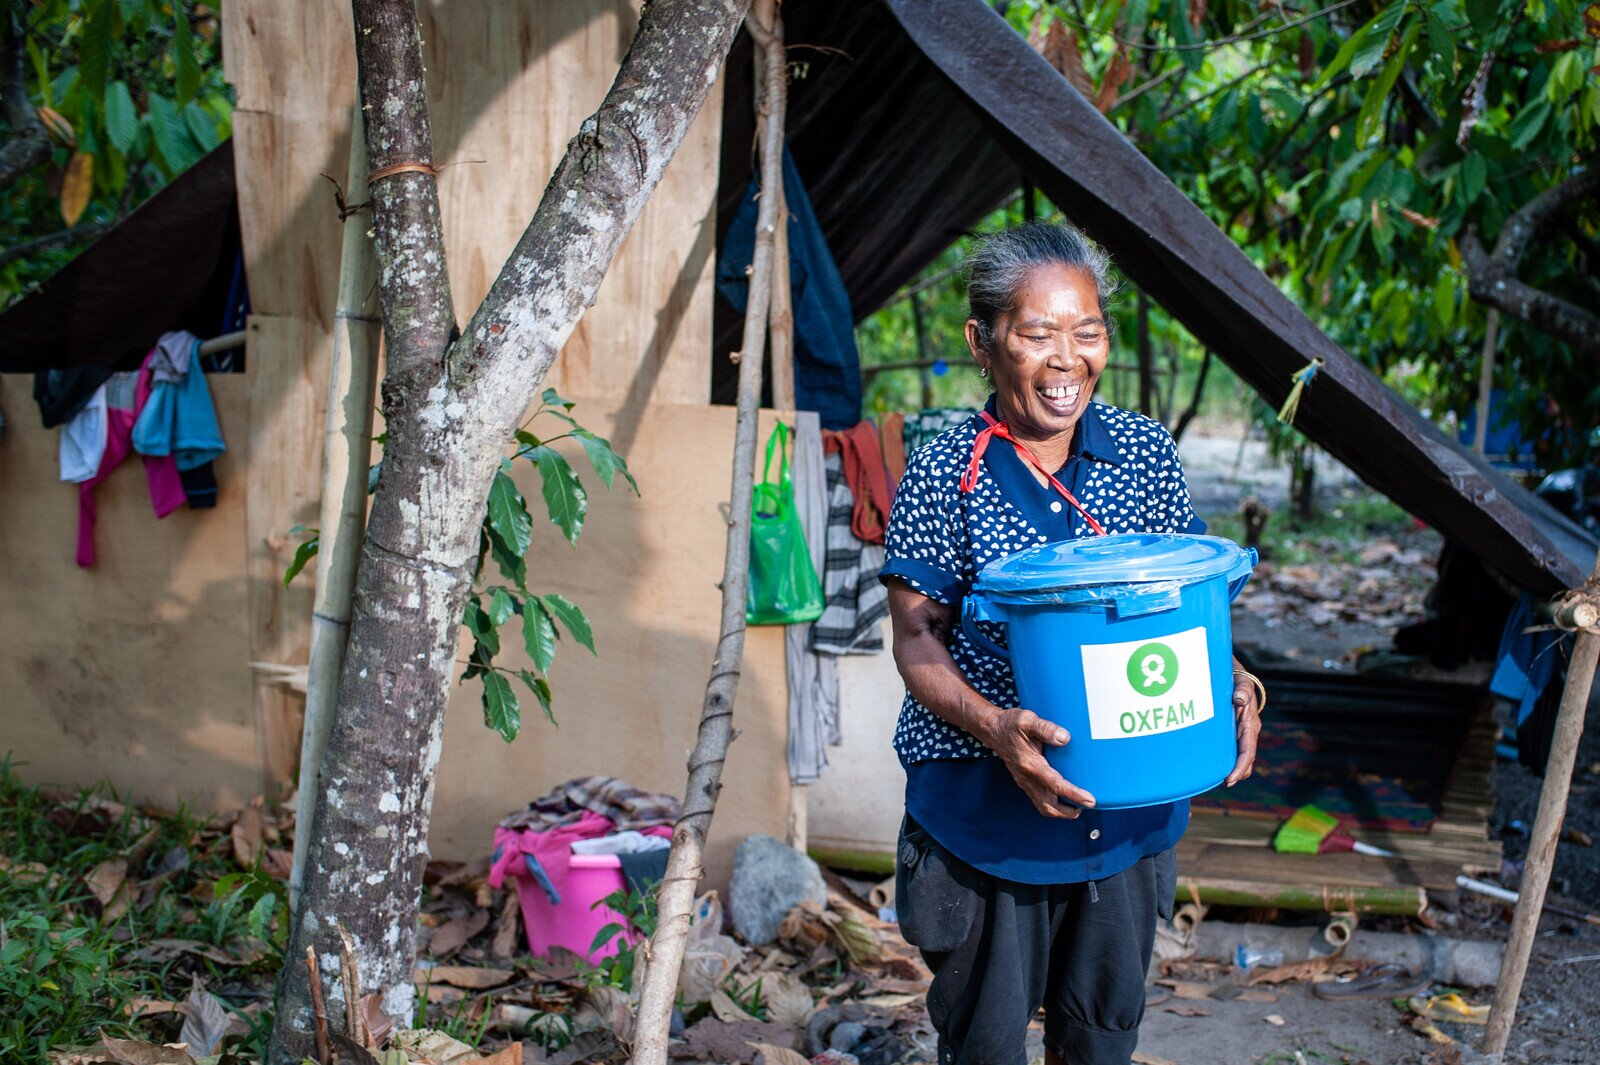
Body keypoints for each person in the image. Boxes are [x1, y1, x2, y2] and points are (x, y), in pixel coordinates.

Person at [880, 222, 1264, 1065]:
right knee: (985, 1046)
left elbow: (1184, 606)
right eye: (1037, 334)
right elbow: (916, 639)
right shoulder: (945, 472)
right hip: (986, 819)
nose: (1067, 359)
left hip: (1124, 815)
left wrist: (1232, 675)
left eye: (1087, 332)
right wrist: (998, 729)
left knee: (1099, 1041)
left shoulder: (1144, 454)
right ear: (983, 342)